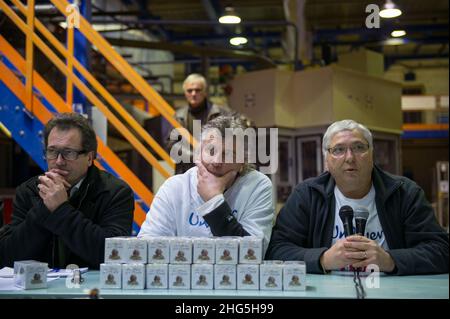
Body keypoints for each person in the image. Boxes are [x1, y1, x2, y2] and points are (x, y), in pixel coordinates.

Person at [265, 119, 449, 275]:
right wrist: (323, 259)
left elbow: (441, 251)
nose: (350, 157)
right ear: (326, 161)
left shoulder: (404, 192)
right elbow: (276, 249)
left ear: (372, 155)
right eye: (338, 150)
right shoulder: (307, 195)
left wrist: (390, 260)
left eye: (359, 147)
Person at [0, 113, 134, 269]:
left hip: (93, 290)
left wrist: (61, 210)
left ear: (90, 158)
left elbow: (113, 255)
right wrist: (44, 208)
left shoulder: (116, 192)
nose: (58, 161)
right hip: (41, 291)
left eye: (69, 152)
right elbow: (7, 257)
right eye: (52, 151)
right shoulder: (28, 191)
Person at [138, 114, 274, 253]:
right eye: (211, 151)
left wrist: (214, 202)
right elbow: (146, 247)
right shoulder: (175, 187)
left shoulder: (257, 186)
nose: (216, 162)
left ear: (242, 161)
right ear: (198, 153)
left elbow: (252, 253)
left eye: (228, 154)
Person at [164, 73, 230, 174]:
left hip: (213, 171)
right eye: (189, 90)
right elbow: (171, 144)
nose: (193, 94)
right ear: (185, 93)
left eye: (198, 90)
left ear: (205, 92)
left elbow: (229, 142)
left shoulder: (220, 114)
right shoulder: (178, 116)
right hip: (186, 171)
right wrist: (194, 155)